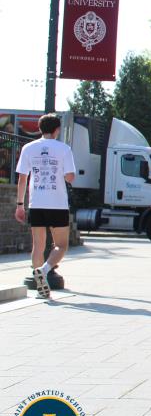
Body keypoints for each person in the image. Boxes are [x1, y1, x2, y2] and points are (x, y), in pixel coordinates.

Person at [14, 113, 76, 299]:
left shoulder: (28, 148)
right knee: (61, 245)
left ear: (40, 128)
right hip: (57, 204)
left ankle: (40, 285)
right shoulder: (64, 149)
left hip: (36, 203)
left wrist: (20, 205)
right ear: (57, 130)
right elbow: (70, 177)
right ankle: (46, 269)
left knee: (38, 245)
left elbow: (22, 178)